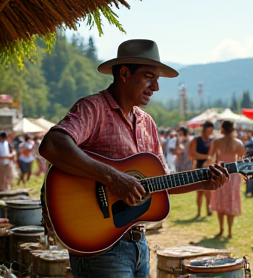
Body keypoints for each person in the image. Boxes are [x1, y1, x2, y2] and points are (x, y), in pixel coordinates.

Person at [39, 39, 229, 278]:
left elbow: (162, 182)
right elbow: (53, 144)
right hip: (100, 249)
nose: (156, 87)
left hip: (138, 244)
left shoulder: (147, 123)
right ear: (125, 73)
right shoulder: (93, 108)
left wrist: (203, 182)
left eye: (158, 79)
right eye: (150, 76)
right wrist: (112, 178)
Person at [205, 120, 244, 238]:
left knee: (220, 201)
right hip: (233, 174)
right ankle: (230, 232)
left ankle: (221, 229)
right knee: (230, 202)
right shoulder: (238, 143)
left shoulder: (216, 142)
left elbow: (210, 157)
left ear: (222, 129)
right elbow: (241, 160)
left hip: (220, 172)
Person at [189, 121, 214, 217]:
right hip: (199, 167)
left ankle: (208, 208)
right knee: (200, 192)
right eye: (209, 130)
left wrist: (208, 158)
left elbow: (212, 155)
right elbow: (192, 154)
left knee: (209, 191)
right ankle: (199, 211)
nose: (210, 132)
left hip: (208, 167)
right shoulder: (196, 140)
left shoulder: (211, 141)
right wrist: (207, 157)